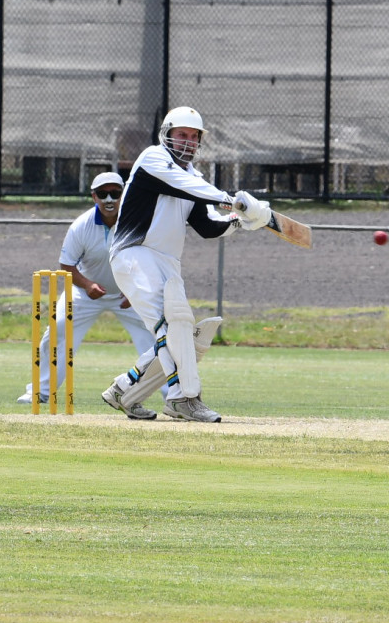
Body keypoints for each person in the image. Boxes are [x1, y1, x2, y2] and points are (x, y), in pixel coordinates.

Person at [101, 106, 270, 423]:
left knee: (179, 330)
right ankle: (183, 398)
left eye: (194, 137)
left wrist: (240, 221)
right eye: (182, 135)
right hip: (133, 252)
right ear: (167, 134)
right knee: (169, 327)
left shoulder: (194, 178)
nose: (188, 142)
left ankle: (123, 390)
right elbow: (183, 185)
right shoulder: (152, 160)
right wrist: (230, 199)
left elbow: (206, 227)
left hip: (167, 261)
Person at [18, 171, 172, 409]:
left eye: (115, 193)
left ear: (124, 195)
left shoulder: (139, 221)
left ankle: (173, 395)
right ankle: (40, 392)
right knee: (58, 328)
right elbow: (66, 265)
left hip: (131, 293)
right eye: (103, 194)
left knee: (159, 337)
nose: (109, 199)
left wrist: (137, 291)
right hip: (85, 292)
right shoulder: (81, 226)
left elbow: (152, 260)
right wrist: (87, 284)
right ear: (94, 197)